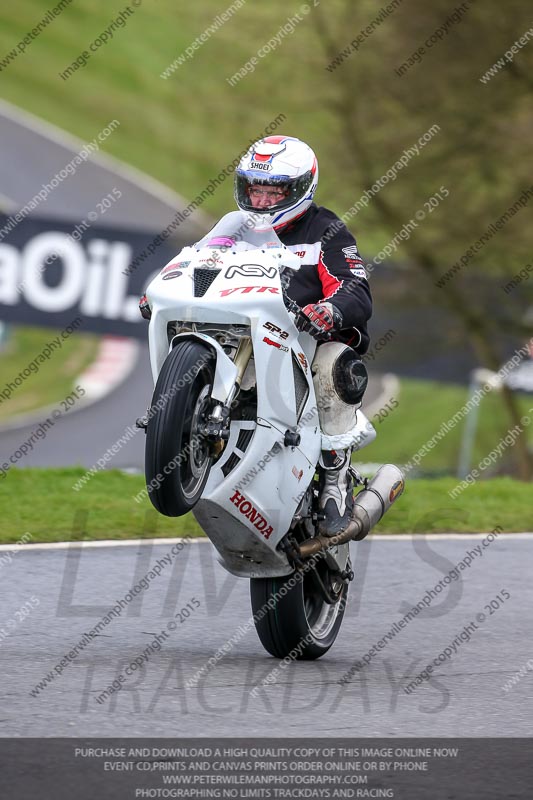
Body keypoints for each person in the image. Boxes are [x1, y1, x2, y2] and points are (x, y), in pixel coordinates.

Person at [234, 135, 372, 536]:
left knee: (334, 363)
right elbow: (195, 260)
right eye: (253, 190)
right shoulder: (234, 228)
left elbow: (355, 287)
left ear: (299, 189)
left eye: (271, 191)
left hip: (302, 345)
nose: (260, 201)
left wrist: (329, 310)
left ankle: (334, 478)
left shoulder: (327, 231)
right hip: (244, 337)